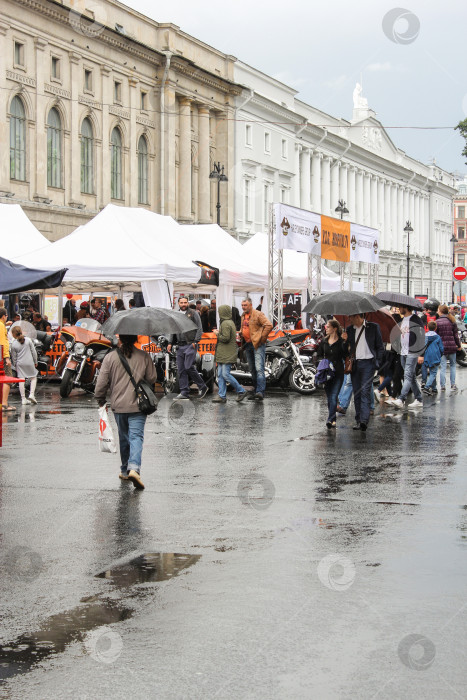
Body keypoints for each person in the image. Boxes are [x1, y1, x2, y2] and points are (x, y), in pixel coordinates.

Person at [95, 334, 157, 490]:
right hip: (138, 405)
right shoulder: (144, 356)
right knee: (136, 436)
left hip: (119, 406)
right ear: (136, 339)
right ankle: (134, 469)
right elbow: (152, 378)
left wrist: (100, 398)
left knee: (124, 437)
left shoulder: (110, 357)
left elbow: (101, 383)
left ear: (120, 339)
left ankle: (124, 470)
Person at [342, 313, 384, 431]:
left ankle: (364, 421)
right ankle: (358, 419)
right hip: (354, 364)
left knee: (365, 391)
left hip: (368, 364)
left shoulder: (373, 327)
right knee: (357, 392)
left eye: (350, 317)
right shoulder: (350, 329)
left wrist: (378, 363)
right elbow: (345, 351)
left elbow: (380, 346)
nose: (348, 319)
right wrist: (344, 341)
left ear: (357, 316)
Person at [167, 296, 208, 400]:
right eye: (182, 302)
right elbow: (173, 329)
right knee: (181, 369)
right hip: (180, 345)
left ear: (187, 303)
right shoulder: (175, 314)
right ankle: (184, 392)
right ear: (178, 303)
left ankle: (203, 387)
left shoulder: (193, 313)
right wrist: (170, 342)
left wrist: (195, 342)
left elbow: (199, 328)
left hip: (190, 344)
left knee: (188, 366)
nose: (184, 304)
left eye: (185, 302)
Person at [239, 297, 273, 401]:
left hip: (257, 344)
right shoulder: (243, 316)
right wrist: (241, 332)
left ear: (250, 305)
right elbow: (245, 327)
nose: (243, 307)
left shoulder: (258, 314)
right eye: (242, 305)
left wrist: (262, 338)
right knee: (252, 369)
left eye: (245, 305)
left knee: (259, 368)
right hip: (248, 344)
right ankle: (256, 390)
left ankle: (260, 392)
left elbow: (269, 325)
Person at [212, 305, 247, 403]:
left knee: (225, 374)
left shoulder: (225, 323)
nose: (219, 314)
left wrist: (217, 333)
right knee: (221, 375)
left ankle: (241, 390)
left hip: (226, 352)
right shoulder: (229, 322)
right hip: (225, 352)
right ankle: (222, 395)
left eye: (220, 312)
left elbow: (225, 338)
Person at [392, 305, 425, 410]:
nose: (399, 309)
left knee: (407, 375)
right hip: (403, 351)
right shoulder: (402, 320)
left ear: (406, 308)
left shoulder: (415, 319)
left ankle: (401, 399)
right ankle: (419, 399)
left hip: (413, 351)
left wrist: (421, 354)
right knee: (411, 376)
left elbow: (421, 336)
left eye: (400, 307)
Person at [317, 319, 348, 429]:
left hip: (338, 372)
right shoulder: (324, 341)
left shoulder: (341, 342)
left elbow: (346, 355)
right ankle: (333, 419)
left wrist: (345, 342)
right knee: (330, 396)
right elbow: (318, 354)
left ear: (334, 328)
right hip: (326, 373)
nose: (326, 328)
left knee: (334, 396)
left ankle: (330, 419)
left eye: (328, 327)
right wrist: (322, 362)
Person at [10, 326, 38, 405]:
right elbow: (34, 352)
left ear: (13, 334)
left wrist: (15, 365)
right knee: (33, 377)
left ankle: (23, 399)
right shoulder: (28, 340)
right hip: (29, 362)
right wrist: (35, 361)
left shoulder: (13, 344)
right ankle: (31, 394)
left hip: (20, 363)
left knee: (21, 379)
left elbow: (14, 357)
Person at [436, 304, 461, 392]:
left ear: (441, 311)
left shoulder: (437, 322)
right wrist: (459, 345)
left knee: (443, 366)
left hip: (442, 348)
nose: (437, 312)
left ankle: (442, 386)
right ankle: (453, 385)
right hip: (452, 346)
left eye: (438, 310)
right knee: (453, 366)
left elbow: (436, 337)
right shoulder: (452, 321)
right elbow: (456, 336)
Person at [422, 321, 444, 396]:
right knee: (433, 373)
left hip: (426, 356)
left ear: (427, 327)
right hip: (435, 356)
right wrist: (440, 355)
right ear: (436, 328)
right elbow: (441, 348)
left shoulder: (425, 336)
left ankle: (434, 388)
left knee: (432, 372)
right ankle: (427, 387)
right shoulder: (437, 337)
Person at [0, 307, 15, 412]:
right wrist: (6, 357)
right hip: (1, 357)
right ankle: (4, 404)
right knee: (8, 378)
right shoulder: (1, 326)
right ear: (4, 316)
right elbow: (3, 342)